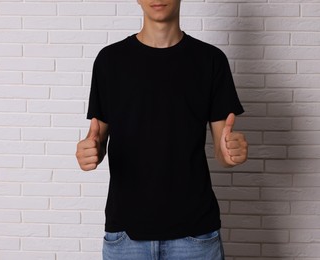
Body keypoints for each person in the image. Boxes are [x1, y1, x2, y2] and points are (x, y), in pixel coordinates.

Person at [76, 0, 248, 259]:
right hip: (126, 236)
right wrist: (90, 152)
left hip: (195, 237)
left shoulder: (210, 60)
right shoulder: (109, 61)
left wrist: (232, 151)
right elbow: (97, 138)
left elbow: (224, 152)